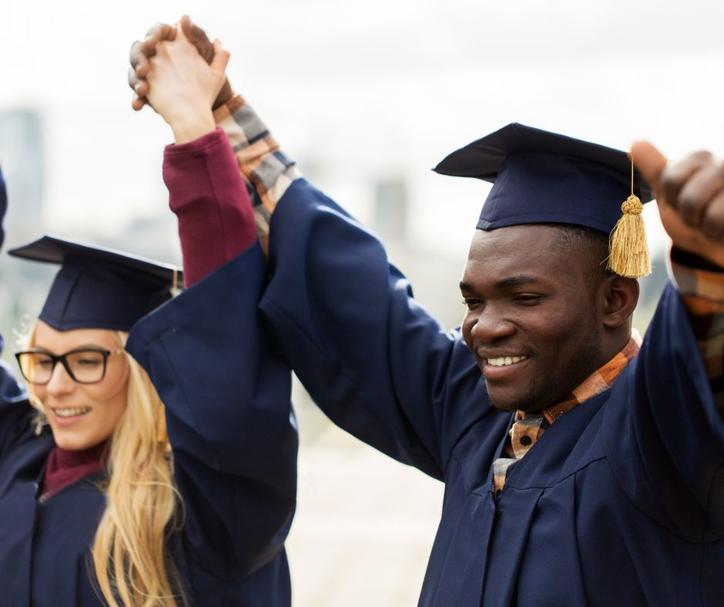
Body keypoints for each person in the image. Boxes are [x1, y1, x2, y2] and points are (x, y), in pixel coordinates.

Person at [131, 19, 724, 606]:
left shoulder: (661, 433)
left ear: (616, 299)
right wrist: (210, 113)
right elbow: (354, 300)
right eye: (474, 300)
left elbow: (698, 367)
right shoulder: (478, 412)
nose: (485, 326)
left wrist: (709, 271)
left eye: (524, 297)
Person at [0, 42, 297, 606]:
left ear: (142, 370)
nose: (54, 385)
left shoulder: (198, 509)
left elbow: (225, 356)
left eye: (86, 360)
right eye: (41, 359)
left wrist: (194, 135)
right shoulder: (18, 455)